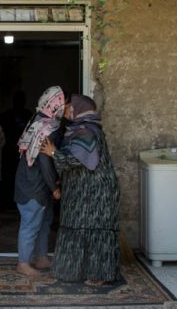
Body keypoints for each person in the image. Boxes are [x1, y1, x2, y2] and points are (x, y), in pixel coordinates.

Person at [40, 94, 120, 285]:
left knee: (94, 231)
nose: (66, 109)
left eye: (69, 106)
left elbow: (75, 160)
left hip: (96, 193)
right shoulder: (78, 129)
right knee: (78, 229)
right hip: (83, 191)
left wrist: (53, 152)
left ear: (80, 109)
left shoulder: (87, 131)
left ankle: (98, 275)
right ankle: (75, 272)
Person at [13, 86, 65, 278]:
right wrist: (54, 188)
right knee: (31, 224)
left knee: (44, 221)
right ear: (55, 104)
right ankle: (23, 263)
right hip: (33, 186)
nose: (65, 107)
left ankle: (41, 257)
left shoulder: (37, 121)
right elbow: (44, 160)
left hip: (35, 185)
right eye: (62, 103)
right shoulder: (47, 128)